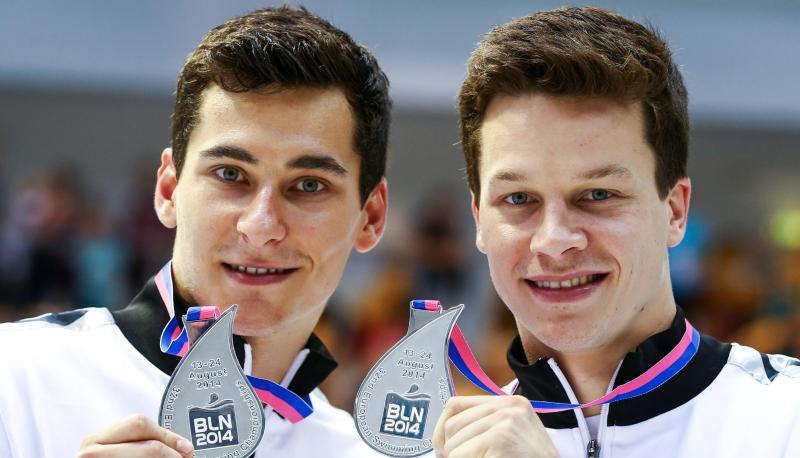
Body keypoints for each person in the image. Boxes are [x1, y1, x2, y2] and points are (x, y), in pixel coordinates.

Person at [0, 6, 390, 457]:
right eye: (230, 174)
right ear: (168, 189)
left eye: (309, 185)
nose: (261, 226)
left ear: (371, 217)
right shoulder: (15, 378)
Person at [433, 7, 800, 457]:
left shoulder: (786, 417)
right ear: (479, 221)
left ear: (675, 211)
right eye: (518, 199)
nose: (554, 239)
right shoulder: (448, 448)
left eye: (599, 194)